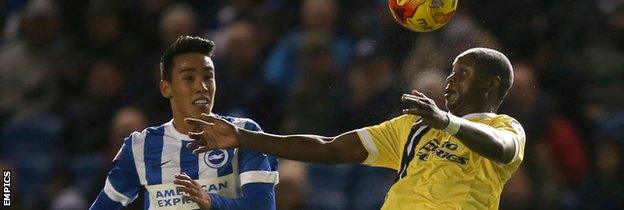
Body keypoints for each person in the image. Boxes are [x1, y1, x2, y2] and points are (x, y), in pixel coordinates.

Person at [185, 47, 526, 209]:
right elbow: (328, 147)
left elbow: (502, 147)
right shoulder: (414, 126)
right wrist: (242, 137)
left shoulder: (504, 128)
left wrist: (448, 123)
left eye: (462, 73)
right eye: (451, 71)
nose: (451, 79)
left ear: (491, 83)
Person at [89, 36, 278, 210]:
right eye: (189, 78)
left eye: (208, 77)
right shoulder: (140, 146)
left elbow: (261, 206)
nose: (201, 87)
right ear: (166, 88)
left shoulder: (244, 133)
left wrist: (211, 201)